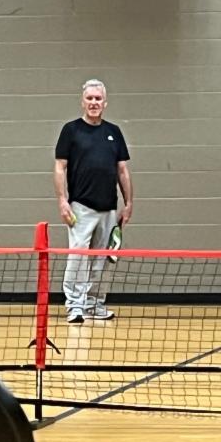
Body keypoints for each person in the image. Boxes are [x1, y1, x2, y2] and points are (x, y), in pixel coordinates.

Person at [54, 79, 134, 324]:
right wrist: (62, 200)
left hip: (109, 209)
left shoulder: (114, 132)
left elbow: (122, 170)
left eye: (98, 99)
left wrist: (128, 202)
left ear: (105, 103)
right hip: (81, 207)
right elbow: (60, 167)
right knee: (78, 258)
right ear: (83, 101)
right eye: (90, 98)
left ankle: (94, 304)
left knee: (103, 259)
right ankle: (75, 306)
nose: (94, 103)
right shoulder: (71, 130)